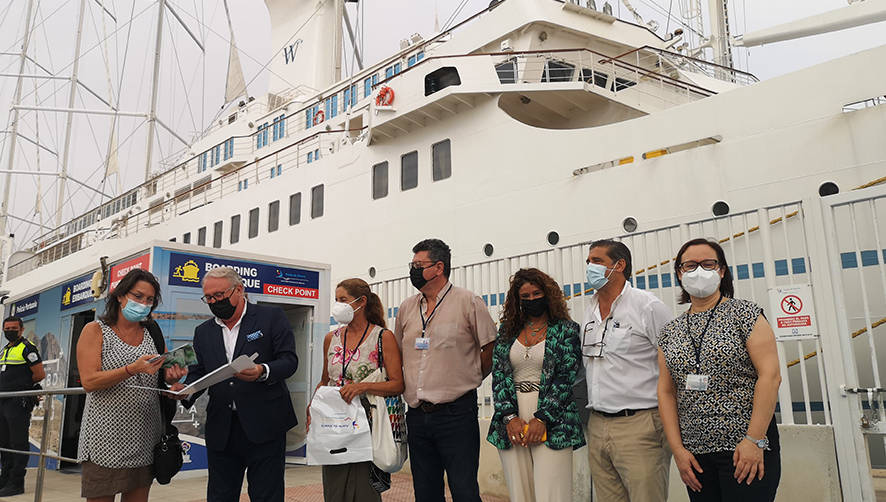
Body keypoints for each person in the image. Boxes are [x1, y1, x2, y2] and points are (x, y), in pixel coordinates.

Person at [657, 238, 781, 501]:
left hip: (745, 449)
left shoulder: (745, 314)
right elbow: (666, 392)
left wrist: (754, 440)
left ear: (722, 270)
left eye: (707, 263)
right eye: (689, 265)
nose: (698, 271)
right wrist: (678, 451)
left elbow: (770, 376)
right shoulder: (670, 331)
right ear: (679, 273)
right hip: (695, 455)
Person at [174, 266, 298, 502]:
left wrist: (263, 370)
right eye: (208, 298)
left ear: (239, 290)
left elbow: (289, 361)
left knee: (266, 496)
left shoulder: (271, 317)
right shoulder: (203, 332)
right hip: (222, 429)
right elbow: (199, 371)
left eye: (219, 295)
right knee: (220, 496)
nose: (214, 302)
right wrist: (185, 391)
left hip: (265, 426)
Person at [394, 238, 497, 502]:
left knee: (463, 489)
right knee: (425, 491)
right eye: (412, 264)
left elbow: (490, 349)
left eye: (419, 264)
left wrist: (469, 376)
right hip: (417, 414)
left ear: (439, 268)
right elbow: (397, 353)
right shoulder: (407, 307)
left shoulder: (468, 302)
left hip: (456, 413)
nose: (413, 270)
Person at [77, 269, 187, 502]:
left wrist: (173, 378)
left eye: (149, 300)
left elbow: (164, 372)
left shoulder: (153, 331)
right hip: (104, 439)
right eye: (138, 296)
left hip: (146, 438)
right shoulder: (95, 330)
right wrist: (131, 369)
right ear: (120, 295)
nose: (144, 304)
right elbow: (89, 381)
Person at [581, 239, 674, 502]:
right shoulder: (589, 310)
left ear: (619, 265)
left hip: (640, 425)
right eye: (588, 262)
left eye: (597, 261)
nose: (590, 267)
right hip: (598, 424)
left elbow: (674, 363)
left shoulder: (647, 306)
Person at [486, 268, 585, 502]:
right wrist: (509, 418)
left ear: (548, 295)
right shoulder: (507, 330)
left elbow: (566, 378)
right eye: (525, 297)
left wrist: (543, 418)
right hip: (513, 420)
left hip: (554, 419)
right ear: (517, 300)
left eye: (537, 294)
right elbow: (499, 376)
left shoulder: (566, 330)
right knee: (521, 494)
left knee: (553, 493)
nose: (532, 300)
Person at [309, 278, 404, 502]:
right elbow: (325, 381)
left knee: (364, 491)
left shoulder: (382, 337)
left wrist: (363, 386)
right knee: (334, 489)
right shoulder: (330, 339)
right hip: (334, 425)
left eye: (343, 300)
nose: (338, 305)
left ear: (361, 302)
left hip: (367, 426)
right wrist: (312, 407)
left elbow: (398, 384)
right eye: (336, 300)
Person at [0, 316, 45, 496]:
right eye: (6, 328)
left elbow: (39, 374)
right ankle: (5, 478)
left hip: (18, 402)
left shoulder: (27, 348)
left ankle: (16, 482)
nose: (9, 331)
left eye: (13, 328)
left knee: (17, 442)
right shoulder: (4, 350)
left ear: (21, 329)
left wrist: (22, 386)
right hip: (3, 401)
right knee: (4, 442)